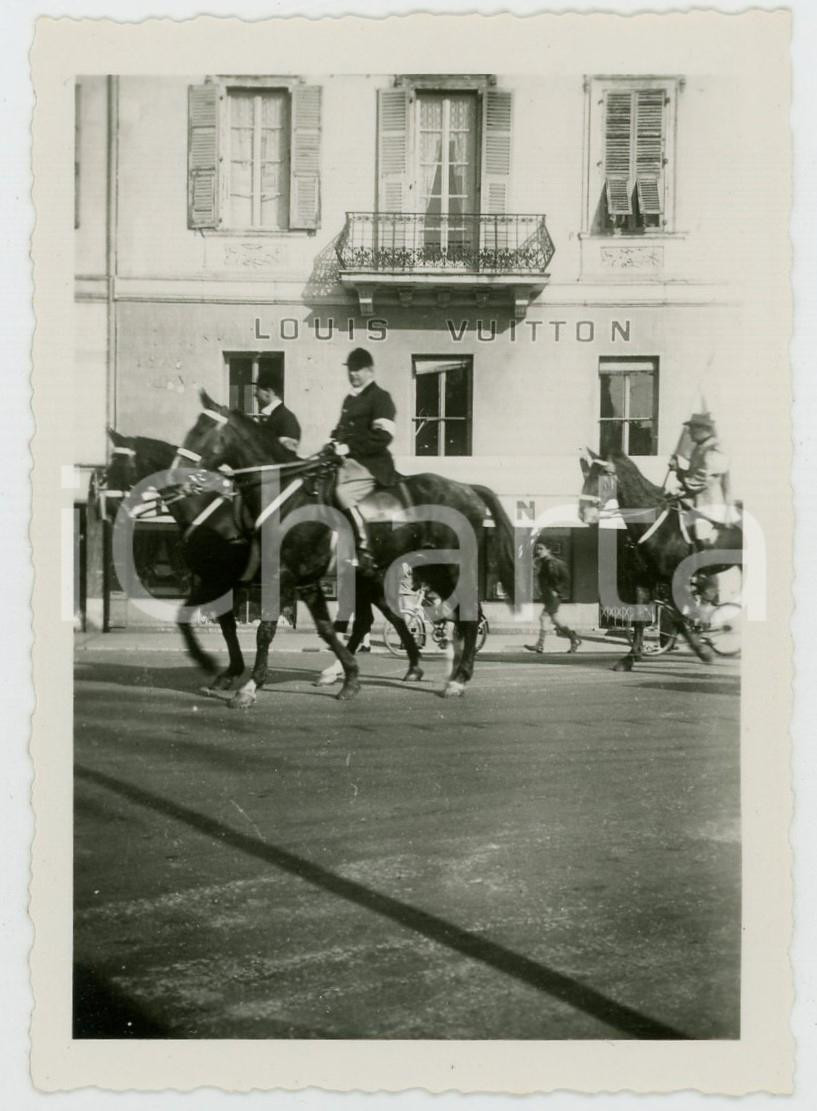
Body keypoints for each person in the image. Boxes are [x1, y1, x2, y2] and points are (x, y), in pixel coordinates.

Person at [329, 347, 397, 571]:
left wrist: (349, 447)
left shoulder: (380, 397)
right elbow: (340, 430)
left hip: (372, 464)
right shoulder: (350, 399)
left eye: (357, 370)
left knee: (342, 493)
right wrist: (333, 443)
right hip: (348, 461)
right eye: (350, 370)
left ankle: (362, 544)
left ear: (370, 370)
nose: (352, 374)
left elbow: (383, 437)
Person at [670, 411, 731, 546]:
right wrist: (678, 470)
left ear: (703, 429)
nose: (689, 432)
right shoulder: (700, 448)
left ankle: (705, 564)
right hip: (694, 500)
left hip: (708, 505)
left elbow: (701, 480)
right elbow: (693, 477)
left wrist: (680, 475)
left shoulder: (714, 449)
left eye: (692, 428)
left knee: (701, 533)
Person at [524, 540, 582, 654]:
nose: (538, 551)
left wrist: (557, 590)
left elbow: (566, 579)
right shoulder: (542, 562)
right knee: (556, 620)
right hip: (547, 595)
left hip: (553, 595)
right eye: (537, 549)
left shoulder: (556, 563)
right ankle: (574, 639)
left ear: (548, 550)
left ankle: (540, 645)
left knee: (543, 617)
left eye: (541, 548)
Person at [254, 364, 301, 460]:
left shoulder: (287, 418)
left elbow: (286, 460)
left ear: (268, 392)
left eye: (257, 390)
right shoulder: (271, 416)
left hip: (276, 474)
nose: (255, 394)